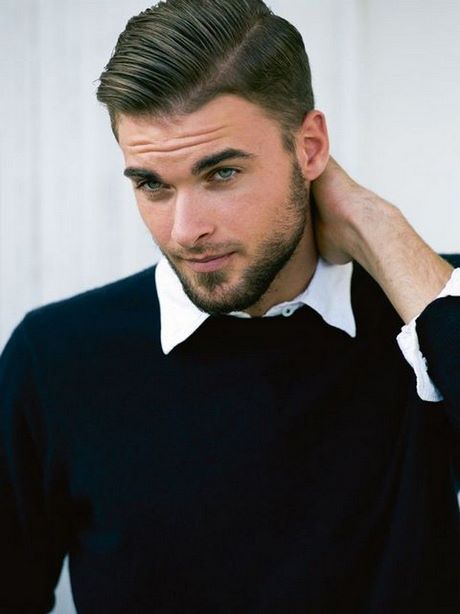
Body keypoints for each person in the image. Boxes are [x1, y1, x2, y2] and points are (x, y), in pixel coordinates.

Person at [1, 0, 459, 611]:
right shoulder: (55, 358)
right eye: (152, 184)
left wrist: (375, 224)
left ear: (310, 149)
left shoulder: (430, 307)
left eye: (221, 174)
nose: (185, 230)